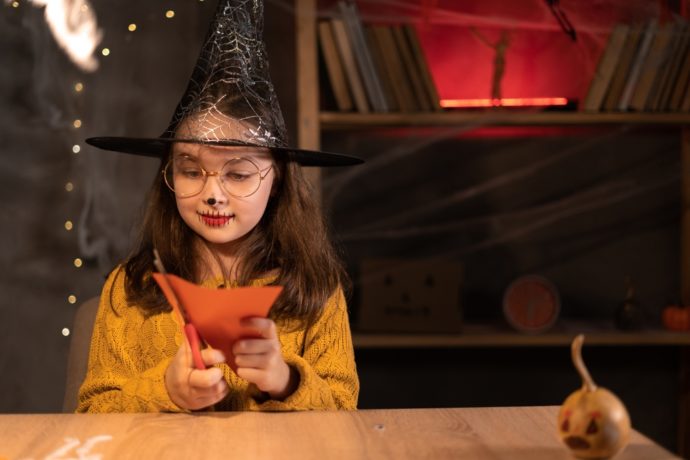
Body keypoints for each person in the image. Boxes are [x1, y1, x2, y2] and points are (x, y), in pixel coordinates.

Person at [76, 0, 362, 413]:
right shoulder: (132, 288)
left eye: (238, 174)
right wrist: (165, 392)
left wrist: (286, 381)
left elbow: (344, 415)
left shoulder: (314, 286)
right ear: (168, 176)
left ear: (277, 179)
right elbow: (90, 415)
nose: (213, 194)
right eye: (191, 171)